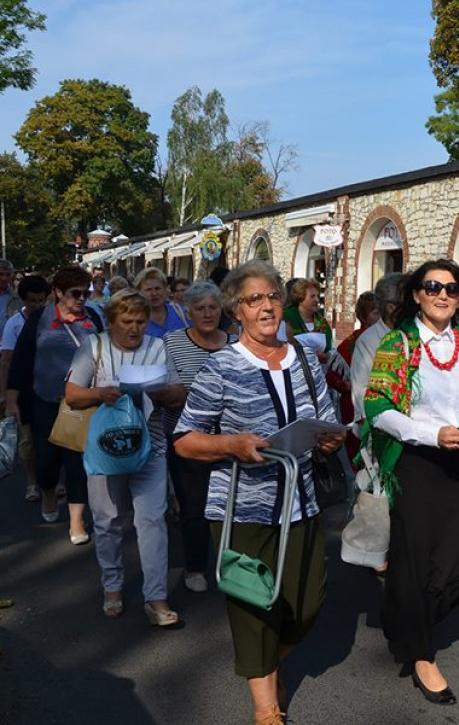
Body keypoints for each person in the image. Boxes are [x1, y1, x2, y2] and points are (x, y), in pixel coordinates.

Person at [173, 259, 345, 725]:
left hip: (303, 502)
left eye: (272, 296)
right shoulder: (221, 366)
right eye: (254, 299)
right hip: (241, 509)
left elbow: (327, 420)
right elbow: (186, 439)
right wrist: (231, 444)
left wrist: (332, 437)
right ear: (237, 310)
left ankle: (270, 664)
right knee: (253, 609)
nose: (266, 306)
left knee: (308, 604)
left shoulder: (306, 359)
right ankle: (266, 709)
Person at [360, 258, 459, 706]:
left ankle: (403, 617)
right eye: (433, 287)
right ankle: (422, 655)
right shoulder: (399, 342)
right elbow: (377, 409)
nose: (443, 295)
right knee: (414, 564)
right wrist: (430, 434)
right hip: (414, 463)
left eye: (453, 288)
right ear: (416, 294)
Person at [65, 289, 186, 624]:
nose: (135, 329)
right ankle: (113, 587)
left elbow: (178, 393)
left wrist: (163, 392)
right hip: (107, 449)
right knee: (107, 522)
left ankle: (157, 598)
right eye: (127, 322)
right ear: (111, 321)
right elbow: (72, 395)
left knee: (152, 521)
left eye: (141, 321)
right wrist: (100, 393)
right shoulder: (95, 346)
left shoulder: (158, 347)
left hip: (152, 447)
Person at [6, 266, 102, 542]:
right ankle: (48, 491)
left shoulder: (93, 317)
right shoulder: (39, 318)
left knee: (77, 463)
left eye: (86, 292)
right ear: (58, 292)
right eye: (76, 293)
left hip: (81, 403)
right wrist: (11, 397)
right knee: (46, 460)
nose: (82, 298)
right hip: (45, 400)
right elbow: (21, 359)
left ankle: (76, 521)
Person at [163, 281, 234, 594]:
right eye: (200, 308)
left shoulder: (235, 343)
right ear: (188, 312)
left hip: (229, 438)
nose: (207, 314)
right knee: (194, 506)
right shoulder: (171, 343)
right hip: (185, 437)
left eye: (213, 307)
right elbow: (173, 394)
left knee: (231, 504)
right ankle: (195, 567)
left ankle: (230, 565)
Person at [0, 275, 50, 503]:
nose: (37, 305)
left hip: (48, 387)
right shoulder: (14, 324)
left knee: (52, 438)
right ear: (24, 301)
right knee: (27, 440)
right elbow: (7, 361)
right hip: (24, 389)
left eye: (42, 300)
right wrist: (5, 394)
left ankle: (51, 481)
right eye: (32, 301)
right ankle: (31, 482)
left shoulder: (52, 321)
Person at [326, 290, 378, 459]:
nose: (379, 317)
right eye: (375, 313)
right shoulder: (355, 340)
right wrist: (347, 386)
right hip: (355, 404)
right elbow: (332, 374)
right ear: (363, 316)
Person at [349, 273, 403, 425]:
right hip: (381, 429)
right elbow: (361, 392)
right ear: (391, 307)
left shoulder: (412, 334)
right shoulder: (369, 341)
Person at [280, 278, 332, 363]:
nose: (317, 300)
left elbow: (329, 349)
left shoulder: (322, 322)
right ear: (300, 298)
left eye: (318, 296)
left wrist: (325, 356)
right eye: (312, 296)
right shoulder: (285, 317)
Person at [135, 267, 189, 338]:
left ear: (165, 289)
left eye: (158, 288)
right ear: (139, 292)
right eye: (148, 290)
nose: (154, 293)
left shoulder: (181, 312)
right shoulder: (135, 319)